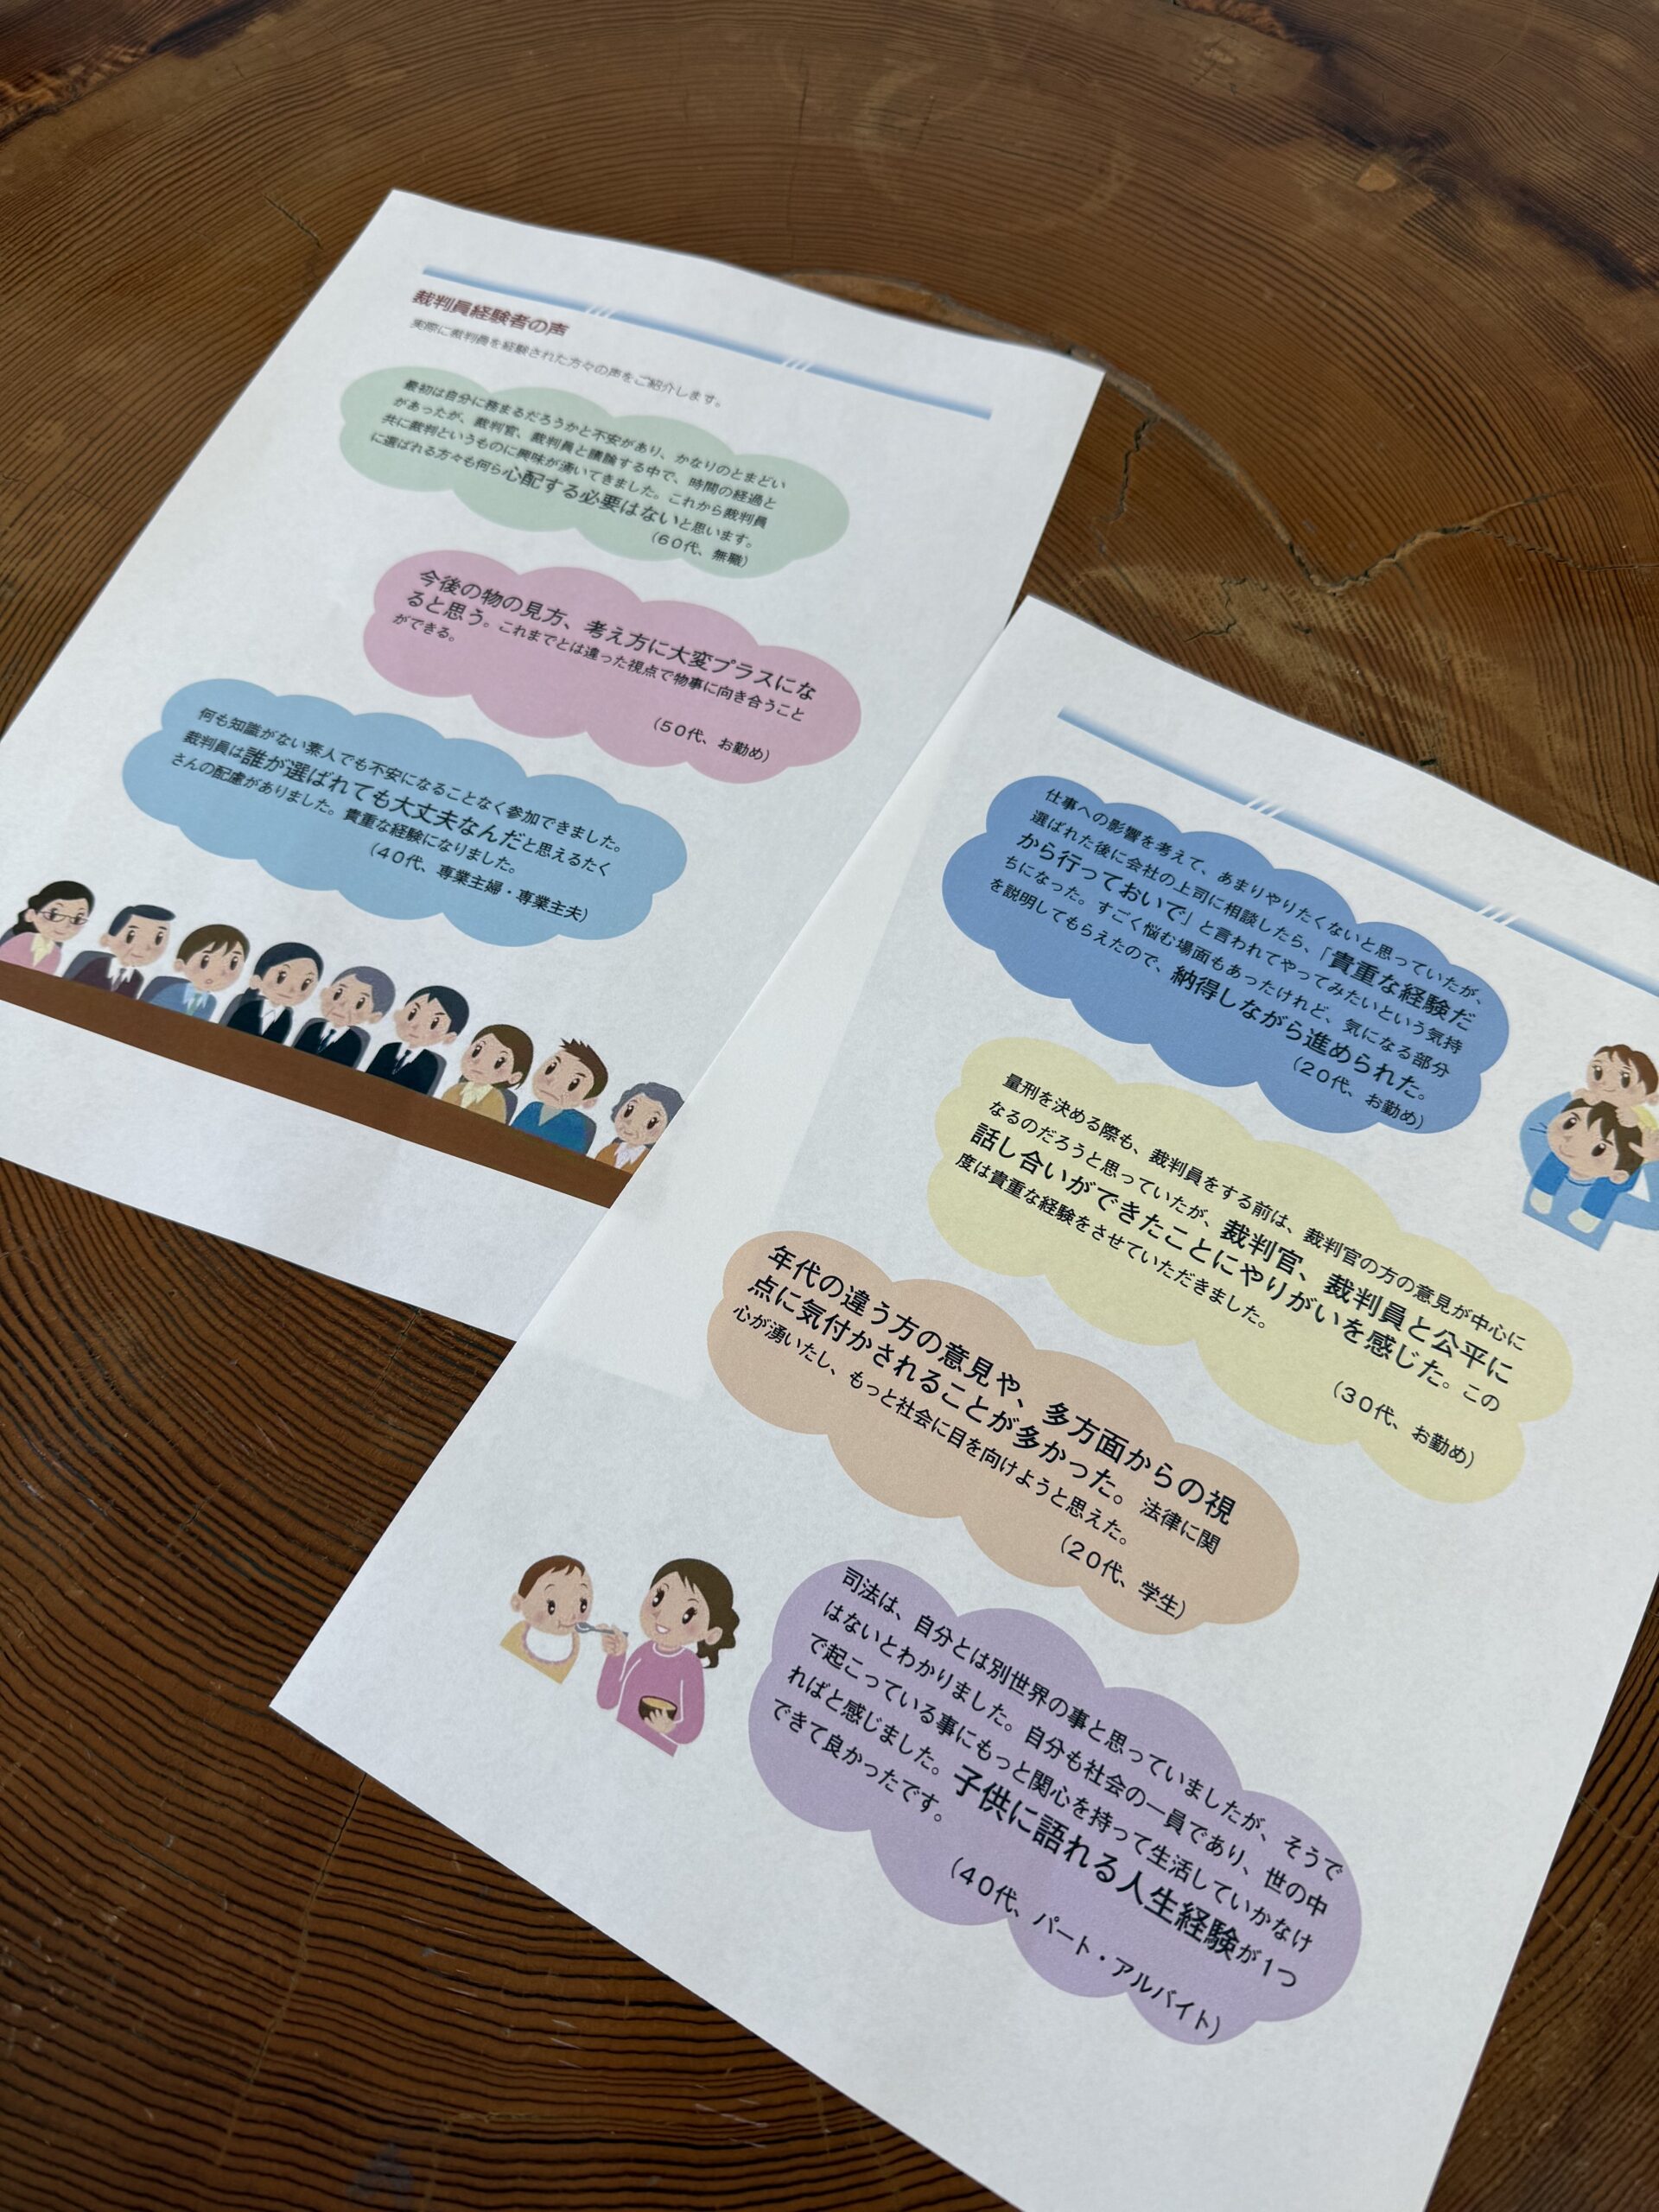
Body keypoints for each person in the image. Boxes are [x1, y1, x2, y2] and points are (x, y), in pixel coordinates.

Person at [596, 1559, 739, 1756]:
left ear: (712, 1634)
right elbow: (607, 1700)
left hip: (656, 1756)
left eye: (687, 1615)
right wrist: (616, 1657)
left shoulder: (689, 1665)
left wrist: (670, 1728)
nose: (663, 1617)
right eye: (658, 1598)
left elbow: (691, 1728)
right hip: (617, 1747)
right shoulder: (644, 1651)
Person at [1525, 1096, 1646, 1234]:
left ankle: (1591, 1213)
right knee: (1561, 1153)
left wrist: (1639, 1122)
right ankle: (1543, 1188)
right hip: (1604, 1109)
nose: (1570, 1145)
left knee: (1610, 1182)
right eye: (1570, 1123)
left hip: (1632, 1150)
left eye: (1599, 1149)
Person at [500, 1554, 600, 1685]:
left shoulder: (580, 1647)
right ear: (517, 1603)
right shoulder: (514, 1638)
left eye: (583, 1605)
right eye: (552, 1606)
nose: (569, 1616)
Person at [363, 984, 469, 1095]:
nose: (415, 1025)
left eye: (434, 1023)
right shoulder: (388, 1049)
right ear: (398, 1015)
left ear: (449, 1037)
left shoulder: (432, 1063)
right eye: (412, 1014)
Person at [511, 1039, 607, 1152]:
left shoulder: (579, 1126)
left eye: (574, 1083)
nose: (553, 1083)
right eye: (551, 1068)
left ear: (589, 1101)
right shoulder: (533, 1108)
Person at [139, 923, 250, 1020]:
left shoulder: (210, 1002)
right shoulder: (173, 990)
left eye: (233, 963)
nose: (217, 973)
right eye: (205, 961)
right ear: (180, 965)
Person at [292, 966, 397, 1068]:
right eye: (338, 993)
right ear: (324, 993)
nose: (343, 1005)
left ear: (374, 1016)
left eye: (359, 1003)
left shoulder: (357, 1041)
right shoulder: (313, 1025)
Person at [219, 941, 322, 1044]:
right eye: (282, 976)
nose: (291, 990)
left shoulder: (287, 1018)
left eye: (306, 983)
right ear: (258, 979)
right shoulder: (246, 1006)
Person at [63, 903, 175, 995]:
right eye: (131, 936)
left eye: (158, 939)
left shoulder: (137, 979)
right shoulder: (96, 964)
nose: (143, 947)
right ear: (107, 939)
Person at [1581, 1043, 1659, 1161]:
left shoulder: (1641, 1116)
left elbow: (1651, 1141)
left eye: (1625, 1078)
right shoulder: (1589, 1099)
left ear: (1649, 1096)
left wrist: (1636, 1125)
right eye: (1598, 1071)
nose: (1605, 1082)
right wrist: (1581, 1098)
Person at [0, 880, 95, 974]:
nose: (64, 925)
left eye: (77, 919)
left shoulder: (55, 952)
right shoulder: (22, 940)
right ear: (31, 915)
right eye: (54, 914)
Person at [443, 1023, 534, 1120]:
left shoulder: (497, 1101)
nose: (481, 1062)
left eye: (500, 1061)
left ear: (514, 1077)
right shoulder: (455, 1090)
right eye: (477, 1050)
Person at [594, 1081, 683, 1174]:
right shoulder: (609, 1150)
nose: (632, 1125)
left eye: (652, 1122)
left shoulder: (653, 1163)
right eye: (629, 1110)